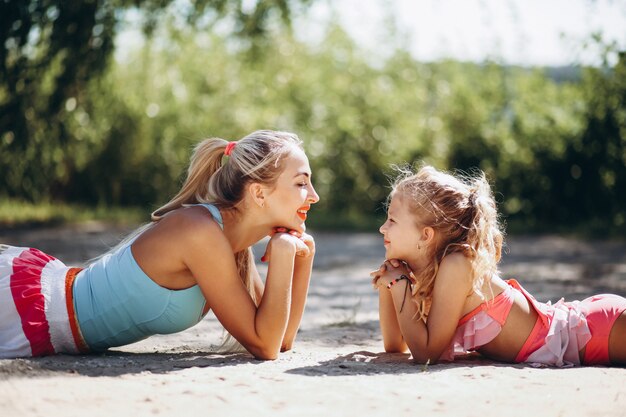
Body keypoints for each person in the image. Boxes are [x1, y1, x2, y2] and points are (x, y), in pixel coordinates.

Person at [0, 130, 319, 360]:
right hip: (26, 306)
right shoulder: (201, 233)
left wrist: (303, 257)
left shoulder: (232, 246)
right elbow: (265, 345)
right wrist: (282, 251)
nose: (314, 195)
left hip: (43, 312)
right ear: (259, 194)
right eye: (302, 183)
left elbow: (278, 339)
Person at [371, 165, 626, 367]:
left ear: (426, 235)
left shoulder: (456, 264)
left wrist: (400, 284)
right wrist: (390, 283)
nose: (383, 227)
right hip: (590, 333)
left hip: (593, 331)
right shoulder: (424, 270)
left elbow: (427, 354)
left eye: (392, 219)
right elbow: (396, 345)